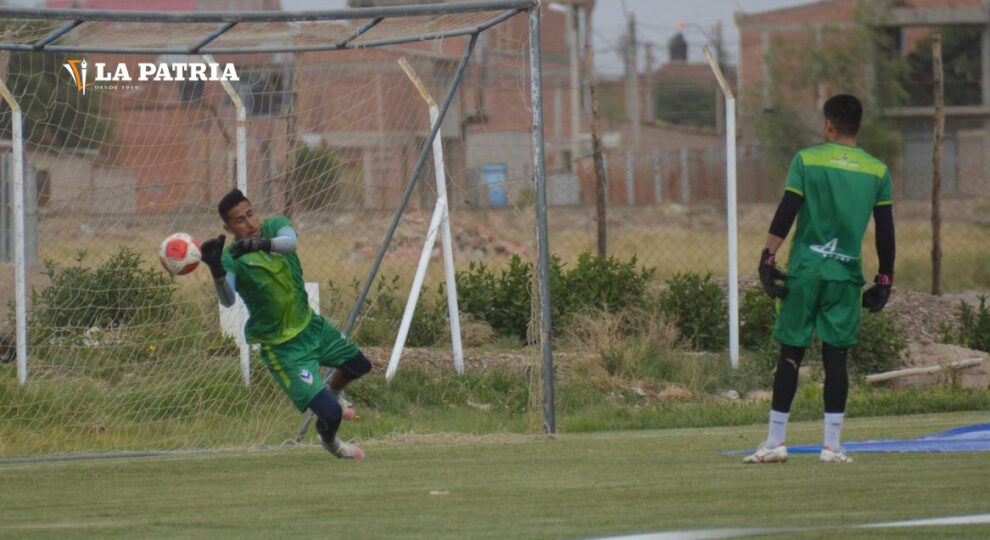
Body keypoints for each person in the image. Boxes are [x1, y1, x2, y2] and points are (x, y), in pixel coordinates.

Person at [745, 94, 895, 464]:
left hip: (805, 273)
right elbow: (885, 229)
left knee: (791, 353)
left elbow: (787, 211)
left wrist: (767, 258)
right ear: (858, 125)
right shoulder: (877, 171)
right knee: (836, 357)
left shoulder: (807, 160)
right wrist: (885, 277)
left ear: (828, 123)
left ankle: (776, 442)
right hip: (844, 274)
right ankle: (832, 446)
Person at [200, 188, 371, 460]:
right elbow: (228, 301)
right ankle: (332, 443)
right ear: (228, 227)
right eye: (239, 220)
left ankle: (334, 392)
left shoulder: (274, 226)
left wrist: (262, 244)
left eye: (250, 214)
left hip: (312, 327)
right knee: (330, 414)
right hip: (283, 348)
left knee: (359, 366)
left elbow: (290, 243)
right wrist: (217, 272)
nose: (250, 224)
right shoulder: (230, 257)